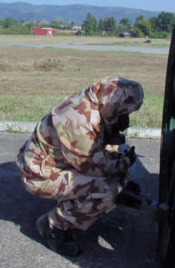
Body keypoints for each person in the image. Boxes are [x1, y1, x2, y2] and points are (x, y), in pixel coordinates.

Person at [16, 76, 144, 256]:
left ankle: (116, 190)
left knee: (116, 150)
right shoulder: (80, 120)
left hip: (62, 162)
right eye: (123, 112)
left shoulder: (95, 102)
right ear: (113, 105)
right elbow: (94, 166)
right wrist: (124, 163)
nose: (126, 119)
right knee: (104, 191)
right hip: (40, 174)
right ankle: (53, 226)